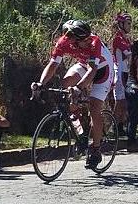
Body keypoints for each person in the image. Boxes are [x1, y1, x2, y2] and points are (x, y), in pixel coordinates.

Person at [31, 19, 115, 170]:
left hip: (103, 70)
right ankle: (80, 128)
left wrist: (79, 87)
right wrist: (40, 84)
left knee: (95, 107)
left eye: (89, 37)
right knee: (64, 85)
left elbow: (93, 71)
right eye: (84, 40)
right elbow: (53, 65)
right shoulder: (63, 42)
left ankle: (95, 149)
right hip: (84, 65)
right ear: (73, 40)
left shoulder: (94, 42)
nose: (88, 41)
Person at [111, 12, 133, 130]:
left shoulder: (126, 38)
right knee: (120, 101)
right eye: (128, 24)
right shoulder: (118, 38)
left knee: (123, 101)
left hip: (125, 71)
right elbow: (130, 56)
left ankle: (119, 125)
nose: (130, 26)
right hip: (119, 71)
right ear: (121, 24)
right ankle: (114, 126)